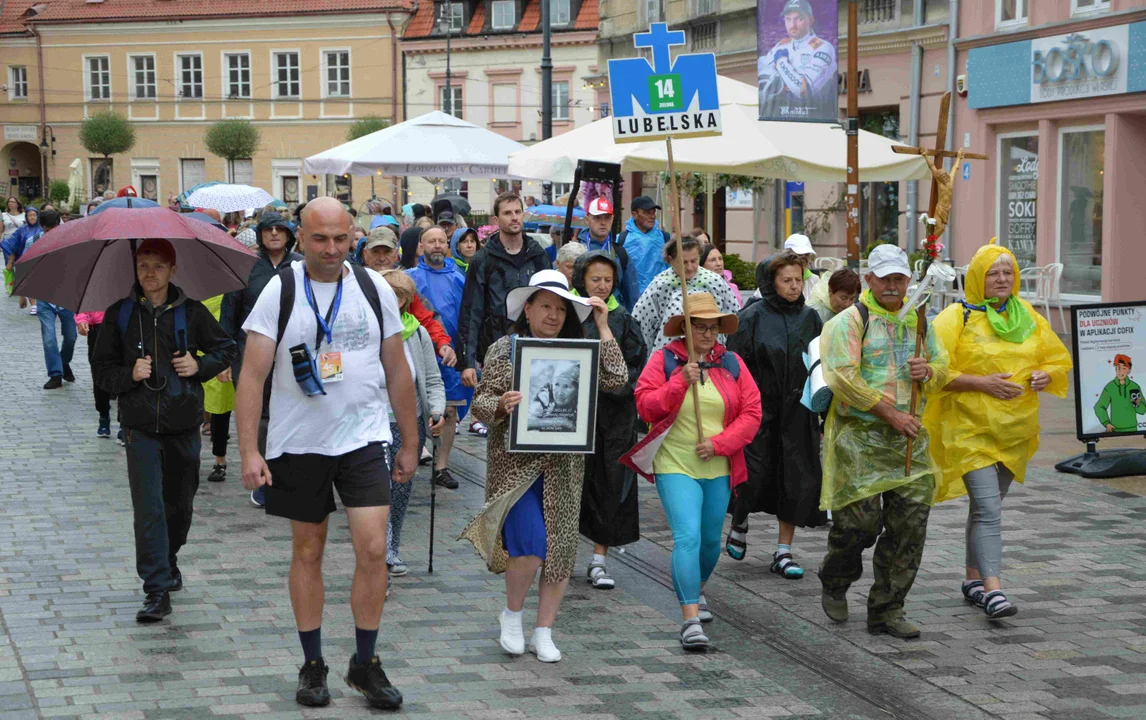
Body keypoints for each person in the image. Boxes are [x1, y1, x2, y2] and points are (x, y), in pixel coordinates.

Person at [236, 197, 416, 710]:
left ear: (353, 234)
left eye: (341, 238)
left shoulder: (372, 287)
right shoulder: (280, 290)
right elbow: (252, 374)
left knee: (373, 548)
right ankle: (313, 663)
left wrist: (409, 438)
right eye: (320, 239)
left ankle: (365, 662)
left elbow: (396, 366)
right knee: (309, 550)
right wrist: (249, 450)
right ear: (300, 236)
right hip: (299, 443)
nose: (332, 249)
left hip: (362, 437)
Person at [460, 270, 627, 663]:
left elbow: (617, 377)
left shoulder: (578, 350)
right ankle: (513, 615)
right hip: (516, 468)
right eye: (546, 306)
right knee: (532, 544)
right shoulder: (506, 348)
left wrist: (602, 325)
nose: (553, 315)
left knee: (560, 550)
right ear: (529, 308)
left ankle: (544, 631)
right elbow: (481, 402)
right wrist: (500, 405)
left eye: (560, 308)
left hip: (564, 468)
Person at [924, 242, 1072, 620]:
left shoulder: (1029, 315)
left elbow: (1057, 359)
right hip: (968, 430)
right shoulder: (957, 317)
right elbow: (932, 371)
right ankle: (994, 590)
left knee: (985, 506)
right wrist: (981, 383)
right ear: (977, 278)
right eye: (993, 272)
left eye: (1008, 272)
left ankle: (972, 579)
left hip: (1014, 431)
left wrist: (1046, 375)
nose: (1002, 278)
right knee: (989, 510)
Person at [91, 238, 237, 622]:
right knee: (149, 509)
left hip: (183, 422)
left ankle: (169, 559)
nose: (149, 273)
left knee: (179, 506)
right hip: (139, 427)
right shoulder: (120, 314)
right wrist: (129, 374)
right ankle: (155, 589)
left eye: (157, 265)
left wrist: (199, 365)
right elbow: (102, 372)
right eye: (142, 265)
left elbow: (226, 348)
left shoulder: (190, 312)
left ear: (173, 269)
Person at [817, 244, 950, 640]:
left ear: (909, 281)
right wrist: (888, 413)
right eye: (885, 278)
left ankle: (887, 609)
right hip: (859, 438)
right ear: (869, 279)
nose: (893, 285)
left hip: (910, 441)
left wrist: (929, 370)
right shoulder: (850, 321)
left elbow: (943, 368)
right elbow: (842, 377)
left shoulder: (921, 321)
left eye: (900, 278)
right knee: (860, 523)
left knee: (910, 526)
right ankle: (837, 575)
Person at [621, 292, 761, 651]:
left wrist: (719, 444)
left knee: (711, 541)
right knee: (688, 536)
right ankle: (689, 619)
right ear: (684, 328)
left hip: (719, 463)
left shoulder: (731, 363)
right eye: (699, 326)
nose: (707, 332)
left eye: (712, 326)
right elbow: (646, 406)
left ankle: (696, 589)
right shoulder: (665, 360)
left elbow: (752, 413)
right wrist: (680, 380)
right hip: (675, 463)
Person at [726, 252, 825, 576]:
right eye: (787, 280)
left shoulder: (811, 317)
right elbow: (734, 364)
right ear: (771, 282)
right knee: (751, 473)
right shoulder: (752, 316)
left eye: (799, 279)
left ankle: (784, 551)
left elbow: (821, 361)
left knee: (795, 478)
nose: (794, 286)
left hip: (798, 412)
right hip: (758, 411)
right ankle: (740, 520)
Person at [571, 250, 647, 589]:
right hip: (573, 415)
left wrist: (613, 386)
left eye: (607, 280)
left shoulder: (625, 320)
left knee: (609, 483)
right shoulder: (567, 314)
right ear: (581, 280)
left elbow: (635, 369)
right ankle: (560, 553)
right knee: (572, 484)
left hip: (614, 417)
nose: (602, 286)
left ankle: (599, 559)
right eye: (594, 279)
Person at [219, 211, 302, 507]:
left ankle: (290, 472)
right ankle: (264, 476)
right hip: (250, 349)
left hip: (293, 350)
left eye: (281, 229)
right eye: (269, 230)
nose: (275, 234)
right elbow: (229, 310)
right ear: (261, 235)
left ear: (290, 235)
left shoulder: (301, 266)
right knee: (261, 414)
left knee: (292, 410)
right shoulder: (247, 267)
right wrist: (225, 356)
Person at [378, 270, 446, 576]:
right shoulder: (368, 331)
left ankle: (392, 547)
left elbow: (433, 379)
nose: (390, 301)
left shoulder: (416, 333)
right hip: (374, 423)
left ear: (405, 301)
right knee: (379, 490)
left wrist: (437, 411)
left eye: (397, 296)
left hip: (409, 424)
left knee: (401, 489)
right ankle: (379, 551)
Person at [456, 192, 550, 399]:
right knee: (498, 415)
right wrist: (467, 362)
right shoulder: (483, 260)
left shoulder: (538, 255)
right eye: (508, 213)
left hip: (534, 347)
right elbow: (471, 312)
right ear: (497, 220)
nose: (514, 217)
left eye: (518, 212)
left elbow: (552, 303)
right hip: (494, 350)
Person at [407, 226, 469, 490]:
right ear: (421, 245)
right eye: (430, 241)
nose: (436, 245)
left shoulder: (460, 277)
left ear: (447, 246)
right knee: (415, 408)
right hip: (419, 353)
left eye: (440, 241)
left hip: (451, 354)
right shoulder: (409, 278)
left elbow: (469, 316)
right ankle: (412, 452)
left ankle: (441, 466)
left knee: (450, 409)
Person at [632, 236, 741, 354]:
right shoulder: (660, 285)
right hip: (671, 357)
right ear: (670, 259)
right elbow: (642, 324)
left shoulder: (714, 281)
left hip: (711, 355)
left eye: (694, 261)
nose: (689, 267)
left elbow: (735, 315)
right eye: (683, 262)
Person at [757, 0, 838, 121]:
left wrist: (781, 62)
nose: (792, 25)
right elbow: (762, 77)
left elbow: (803, 90)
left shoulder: (824, 47)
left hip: (815, 120)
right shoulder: (781, 46)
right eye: (788, 19)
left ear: (810, 20)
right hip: (778, 118)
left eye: (798, 19)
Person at [31, 210, 79, 389]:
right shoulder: (33, 242)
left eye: (55, 229)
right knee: (49, 338)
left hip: (66, 296)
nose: (52, 233)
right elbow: (27, 268)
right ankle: (55, 374)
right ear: (42, 228)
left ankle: (63, 362)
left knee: (71, 337)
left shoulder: (70, 240)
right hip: (44, 297)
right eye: (48, 230)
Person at [572, 197, 639, 310]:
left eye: (607, 218)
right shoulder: (575, 250)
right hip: (580, 316)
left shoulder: (620, 253)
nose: (603, 222)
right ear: (587, 219)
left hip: (613, 318)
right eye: (597, 218)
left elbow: (632, 296)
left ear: (612, 219)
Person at [202, 294, 236, 483]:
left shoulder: (230, 291)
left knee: (221, 407)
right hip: (193, 350)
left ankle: (219, 460)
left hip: (221, 350)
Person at [620, 196, 670, 297]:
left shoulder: (665, 238)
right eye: (647, 213)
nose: (652, 216)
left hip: (661, 298)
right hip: (632, 301)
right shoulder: (621, 240)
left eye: (653, 212)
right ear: (635, 214)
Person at [75, 308, 114, 437]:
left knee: (125, 374)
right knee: (99, 376)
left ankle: (124, 424)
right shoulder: (95, 287)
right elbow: (83, 302)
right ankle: (103, 415)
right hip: (97, 329)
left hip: (124, 327)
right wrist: (81, 320)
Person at [3, 205, 41, 313]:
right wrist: (10, 262)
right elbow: (14, 246)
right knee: (28, 282)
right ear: (26, 217)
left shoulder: (42, 228)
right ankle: (33, 305)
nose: (32, 217)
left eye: (34, 215)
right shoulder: (21, 231)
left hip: (39, 260)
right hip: (24, 260)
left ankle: (40, 303)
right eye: (30, 215)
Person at [1095, 355, 1145, 433]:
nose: (1120, 371)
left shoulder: (1135, 387)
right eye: (1118, 368)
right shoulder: (1110, 387)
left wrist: (1137, 405)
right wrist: (1106, 423)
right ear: (1115, 369)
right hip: (1114, 430)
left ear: (1129, 370)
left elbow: (1142, 411)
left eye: (1124, 368)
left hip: (1133, 429)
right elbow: (1099, 407)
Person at [783, 233, 819, 300]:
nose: (804, 258)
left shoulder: (814, 280)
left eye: (807, 254)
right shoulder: (777, 278)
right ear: (786, 255)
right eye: (799, 254)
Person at [2, 197, 24, 296]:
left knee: (21, 264)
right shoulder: (3, 215)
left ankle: (20, 285)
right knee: (9, 264)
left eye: (12, 202)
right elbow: (1, 230)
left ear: (17, 204)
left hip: (21, 242)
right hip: (8, 243)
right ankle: (11, 285)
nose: (10, 203)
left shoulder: (24, 215)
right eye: (9, 202)